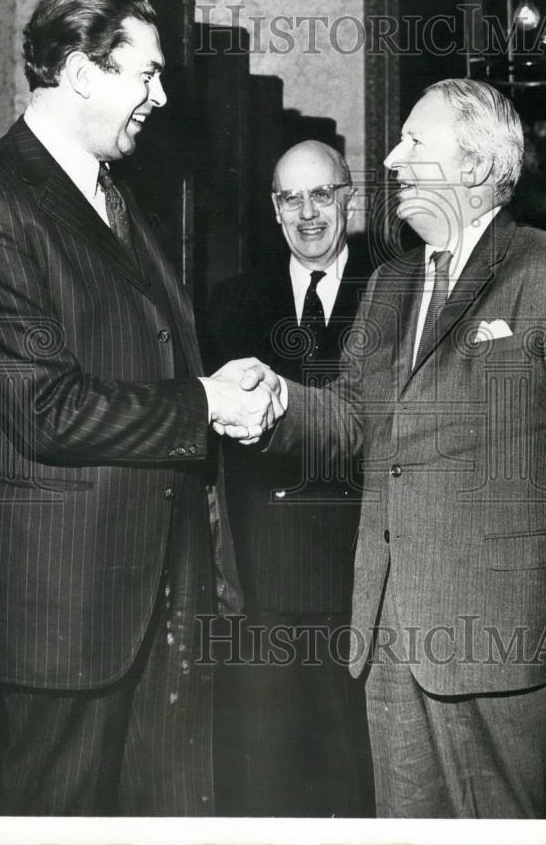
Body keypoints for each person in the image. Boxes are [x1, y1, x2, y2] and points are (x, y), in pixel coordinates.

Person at [219, 79, 546, 818]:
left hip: (501, 637)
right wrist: (277, 402)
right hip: (388, 636)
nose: (391, 158)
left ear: (474, 166)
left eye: (414, 142)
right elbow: (354, 421)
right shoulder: (388, 286)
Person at [0, 0, 282, 817]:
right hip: (60, 623)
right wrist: (205, 404)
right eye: (147, 74)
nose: (161, 97)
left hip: (158, 604)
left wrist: (215, 387)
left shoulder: (117, 199)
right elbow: (45, 409)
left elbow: (150, 360)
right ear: (83, 73)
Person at [207, 141, 374, 816]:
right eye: (289, 198)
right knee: (271, 773)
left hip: (362, 570)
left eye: (322, 195)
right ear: (274, 210)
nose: (308, 214)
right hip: (267, 573)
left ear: (349, 200)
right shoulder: (230, 302)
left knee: (355, 767)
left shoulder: (392, 292)